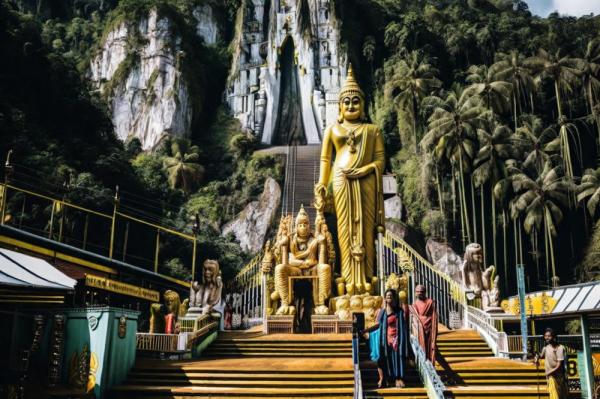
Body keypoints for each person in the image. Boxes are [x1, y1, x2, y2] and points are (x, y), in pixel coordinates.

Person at [362, 289, 408, 388]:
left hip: (396, 339)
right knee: (383, 359)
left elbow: (403, 326)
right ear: (385, 299)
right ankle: (383, 379)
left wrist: (402, 339)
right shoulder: (382, 312)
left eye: (391, 296)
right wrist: (366, 330)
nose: (389, 298)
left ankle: (398, 378)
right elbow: (378, 324)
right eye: (387, 296)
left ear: (394, 297)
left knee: (397, 358)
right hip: (385, 338)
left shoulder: (399, 312)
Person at [534, 328, 569, 399]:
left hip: (559, 376)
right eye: (545, 336)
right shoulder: (545, 348)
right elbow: (540, 356)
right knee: (553, 395)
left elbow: (559, 365)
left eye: (549, 336)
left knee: (560, 394)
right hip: (550, 377)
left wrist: (548, 372)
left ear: (553, 337)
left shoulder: (560, 348)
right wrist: (536, 358)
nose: (547, 337)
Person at [411, 284, 438, 364]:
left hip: (429, 330)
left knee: (430, 350)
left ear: (425, 292)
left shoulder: (430, 303)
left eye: (421, 291)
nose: (419, 293)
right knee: (421, 350)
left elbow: (434, 318)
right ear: (415, 293)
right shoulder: (414, 305)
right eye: (418, 291)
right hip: (418, 332)